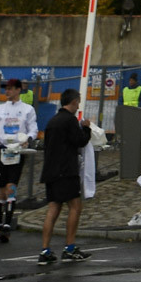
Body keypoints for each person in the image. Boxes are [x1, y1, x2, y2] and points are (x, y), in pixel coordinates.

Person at [37, 89, 92, 265]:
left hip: (50, 171)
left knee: (53, 209)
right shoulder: (70, 120)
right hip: (66, 171)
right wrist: (86, 128)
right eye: (78, 102)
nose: (78, 106)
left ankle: (45, 250)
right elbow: (80, 141)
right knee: (75, 206)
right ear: (74, 102)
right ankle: (69, 247)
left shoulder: (52, 121)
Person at [0, 78, 38, 241]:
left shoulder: (27, 109)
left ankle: (7, 225)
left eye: (10, 88)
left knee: (11, 187)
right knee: (2, 190)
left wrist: (28, 138)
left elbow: (33, 129)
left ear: (18, 90)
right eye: (6, 88)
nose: (7, 91)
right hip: (0, 151)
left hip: (17, 152)